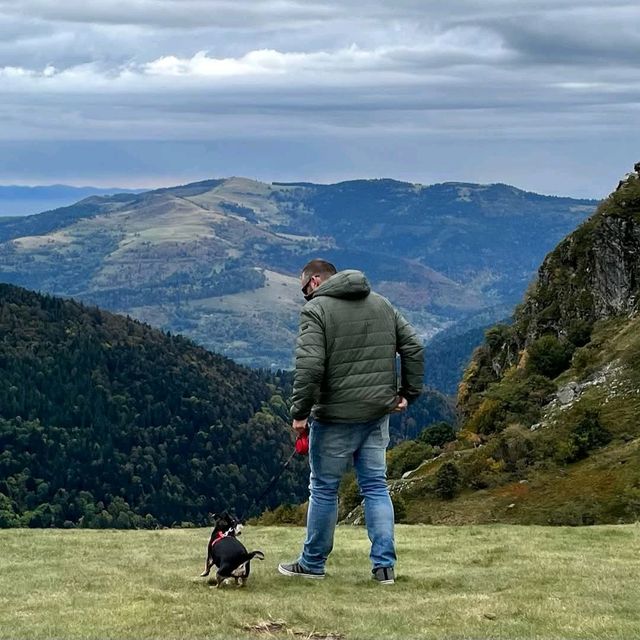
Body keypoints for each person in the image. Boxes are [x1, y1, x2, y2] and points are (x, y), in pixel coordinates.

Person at [278, 259, 424, 585]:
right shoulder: (381, 303)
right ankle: (384, 568)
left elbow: (311, 367)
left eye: (304, 291)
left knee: (324, 489)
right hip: (376, 415)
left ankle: (312, 564)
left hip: (334, 418)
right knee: (375, 486)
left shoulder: (317, 311)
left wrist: (299, 413)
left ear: (315, 281)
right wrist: (407, 394)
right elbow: (413, 346)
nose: (305, 298)